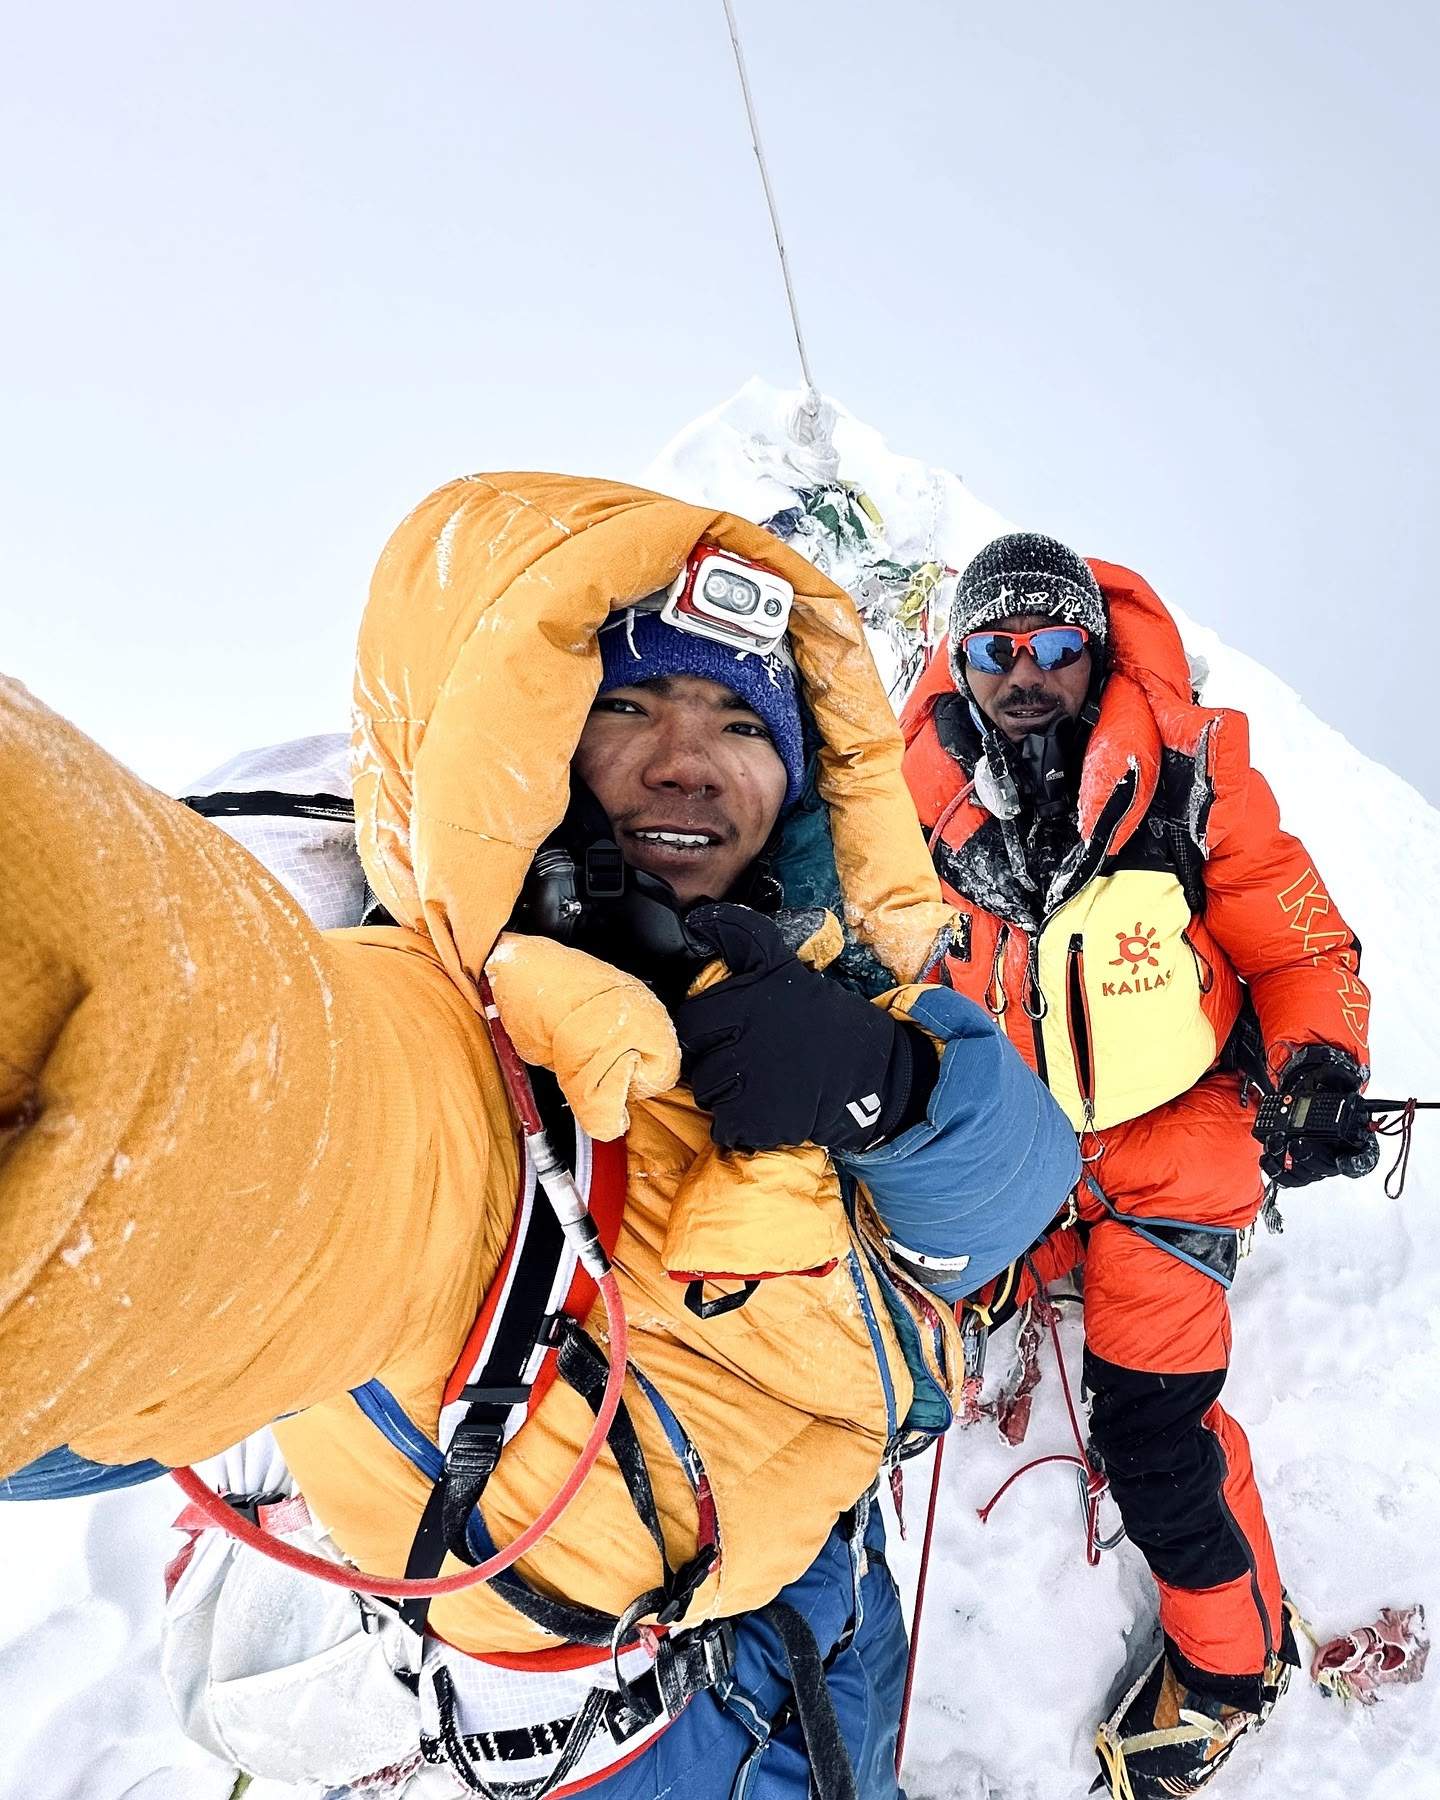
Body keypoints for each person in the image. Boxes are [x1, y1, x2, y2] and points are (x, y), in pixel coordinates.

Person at [0, 474, 1079, 1799]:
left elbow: (1016, 1189)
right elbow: (232, 1126)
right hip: (623, 1744)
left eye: (743, 719)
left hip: (830, 1628)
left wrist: (895, 1090)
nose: (688, 755)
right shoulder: (433, 1035)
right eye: (628, 705)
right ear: (538, 740)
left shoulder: (835, 980)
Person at [899, 532, 1378, 1799]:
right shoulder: (917, 800)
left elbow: (1297, 940)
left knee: (1153, 1430)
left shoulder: (1193, 774)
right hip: (1013, 1138)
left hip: (1178, 1144)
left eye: (1056, 645)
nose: (1027, 672)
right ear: (962, 661)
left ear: (1095, 651)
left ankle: (1233, 1669)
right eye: (998, 647)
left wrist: (1320, 1070)